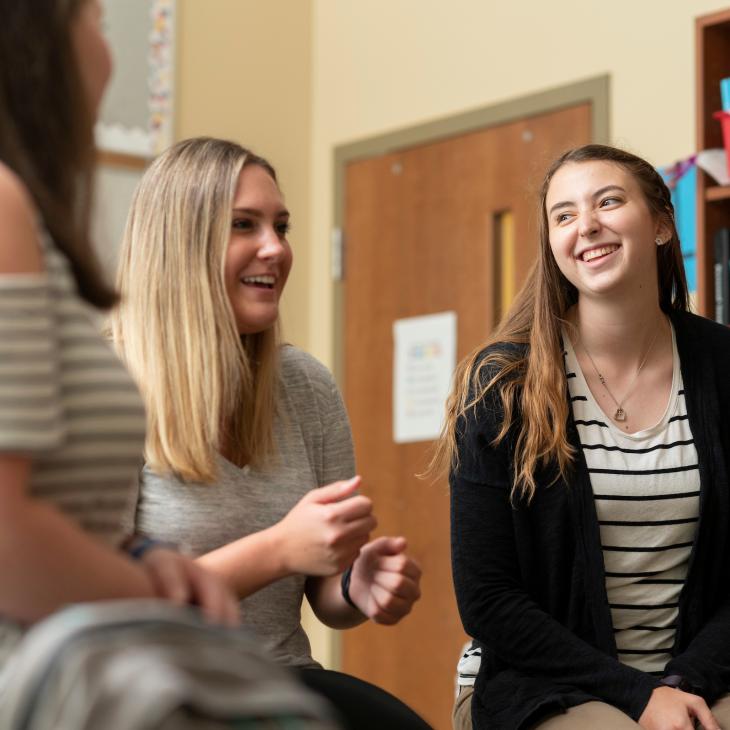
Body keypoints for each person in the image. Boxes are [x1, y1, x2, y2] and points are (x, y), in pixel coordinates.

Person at [0, 3, 341, 728]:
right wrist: (168, 598)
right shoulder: (2, 210)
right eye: (94, 19)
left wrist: (148, 557)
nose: (109, 50)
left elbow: (62, 511)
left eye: (282, 225)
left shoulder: (27, 217)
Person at [110, 136, 430, 730]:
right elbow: (107, 607)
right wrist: (279, 547)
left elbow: (325, 595)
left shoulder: (305, 384)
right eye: (244, 225)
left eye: (281, 226)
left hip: (280, 680)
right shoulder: (108, 390)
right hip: (159, 691)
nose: (275, 248)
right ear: (180, 244)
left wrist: (357, 585)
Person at [436, 144, 730, 730]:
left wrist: (680, 686)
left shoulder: (723, 364)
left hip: (703, 675)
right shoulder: (501, 385)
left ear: (663, 225)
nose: (587, 224)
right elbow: (489, 601)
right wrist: (641, 697)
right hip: (546, 684)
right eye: (564, 215)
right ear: (553, 245)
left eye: (609, 201)